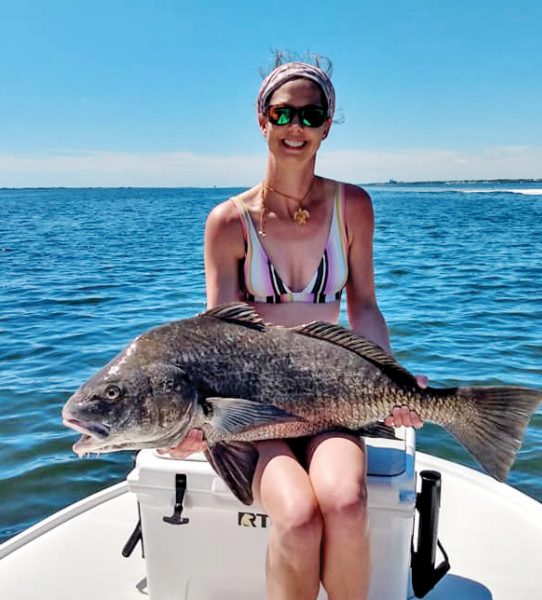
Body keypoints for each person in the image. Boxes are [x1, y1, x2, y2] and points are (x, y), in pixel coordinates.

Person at [167, 56, 425, 600]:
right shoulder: (227, 222)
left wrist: (388, 382)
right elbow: (217, 337)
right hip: (255, 412)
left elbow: (365, 306)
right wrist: (193, 422)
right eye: (284, 114)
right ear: (262, 119)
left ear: (328, 125)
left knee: (346, 503)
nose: (296, 128)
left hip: (332, 396)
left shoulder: (352, 204)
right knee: (299, 515)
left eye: (312, 115)